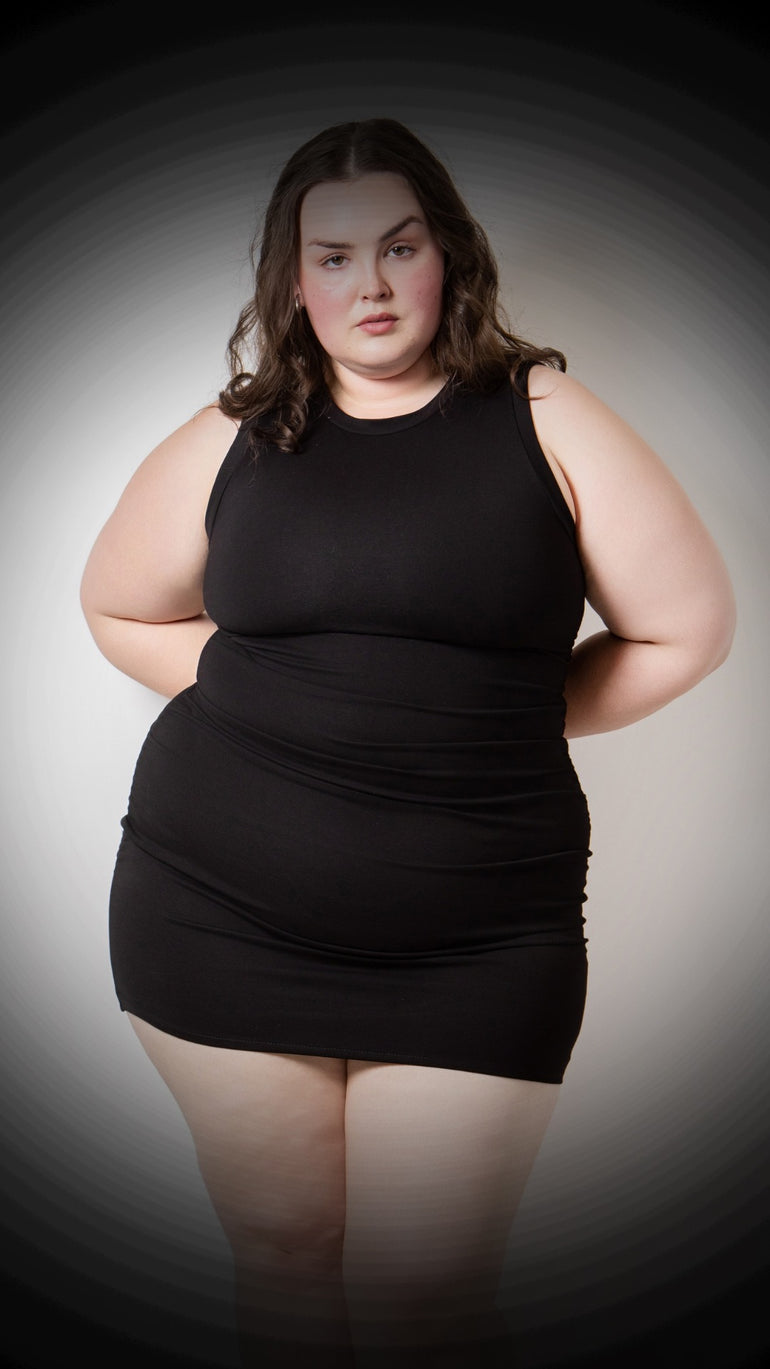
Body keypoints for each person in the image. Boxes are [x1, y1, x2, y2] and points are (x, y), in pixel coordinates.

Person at [79, 118, 736, 1369]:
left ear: (449, 255)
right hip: (214, 916)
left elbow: (684, 630)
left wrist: (475, 720)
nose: (369, 285)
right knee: (282, 1252)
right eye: (332, 257)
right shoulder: (239, 433)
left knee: (423, 1294)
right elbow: (117, 607)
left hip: (475, 944)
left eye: (398, 246)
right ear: (291, 279)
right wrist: (284, 702)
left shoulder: (541, 412)